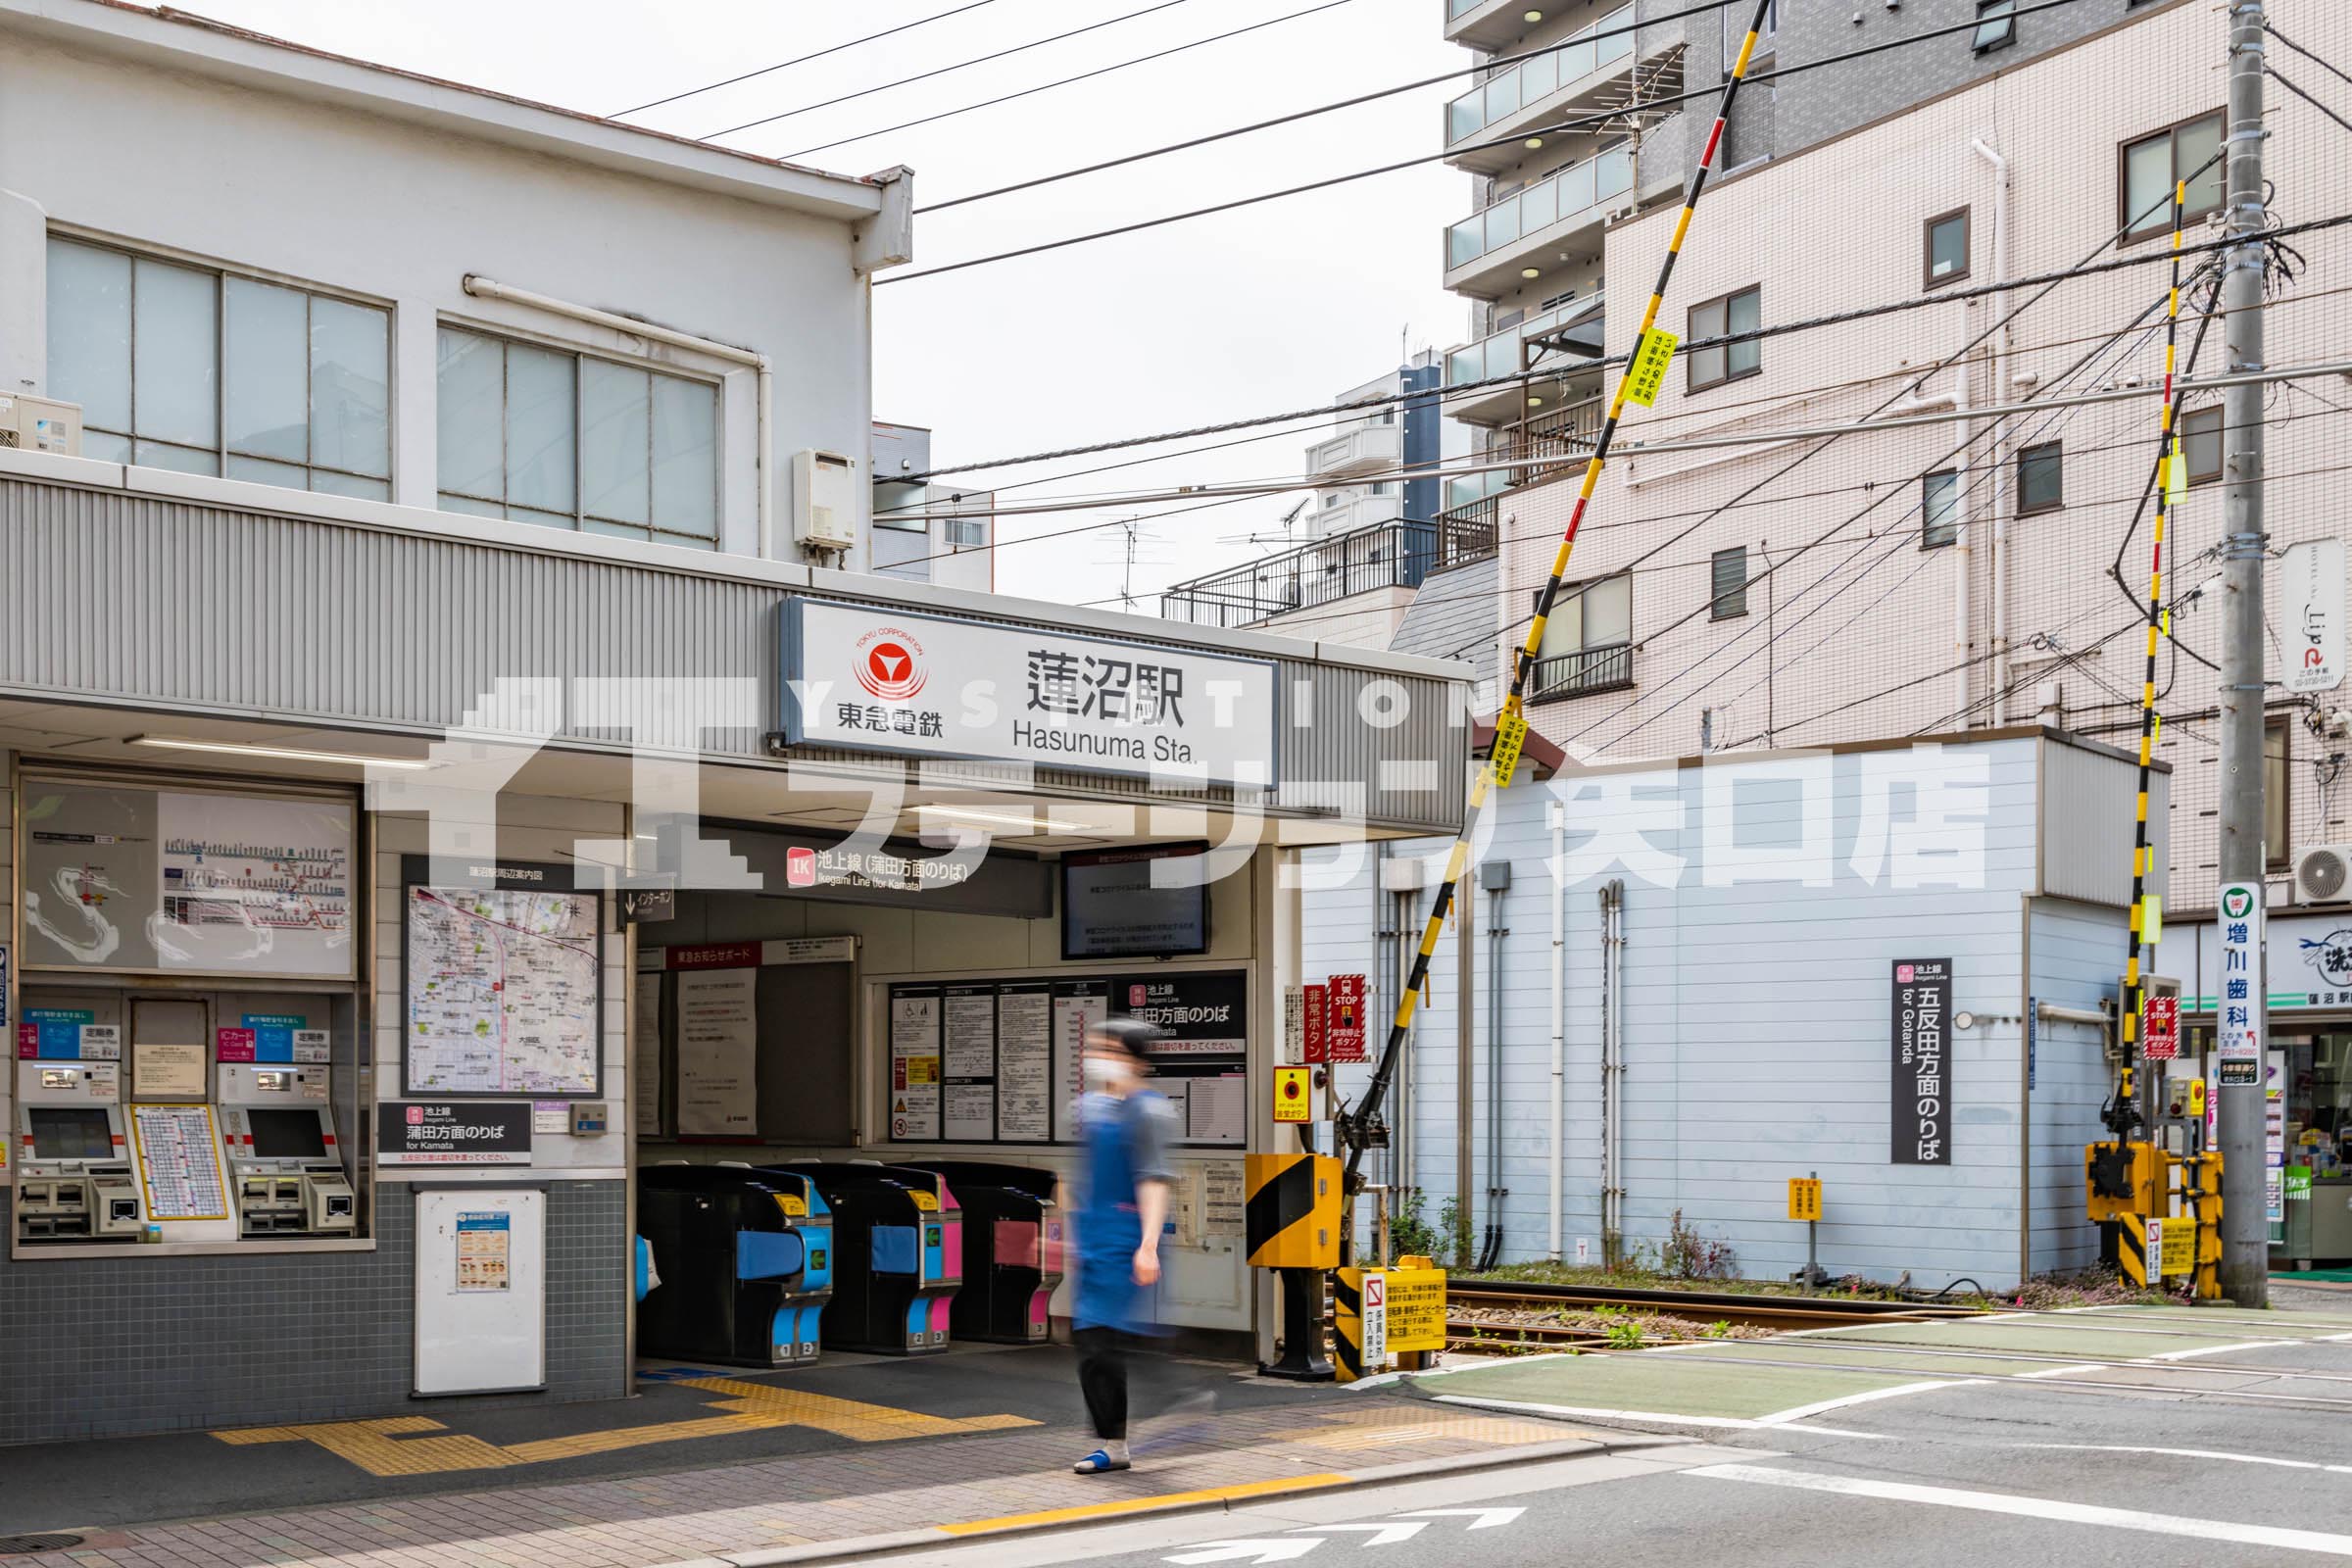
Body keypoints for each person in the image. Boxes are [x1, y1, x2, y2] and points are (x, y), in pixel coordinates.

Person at [1069, 1015, 1178, 1475]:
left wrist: (1148, 1244)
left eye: (1108, 1050)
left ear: (1133, 1058)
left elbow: (1153, 1179)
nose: (1096, 1057)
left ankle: (1118, 1442)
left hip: (1124, 1239)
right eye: (1094, 1048)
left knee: (1097, 1338)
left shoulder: (1148, 1111)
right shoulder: (1094, 1107)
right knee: (1095, 1338)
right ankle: (1130, 1430)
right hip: (1094, 1239)